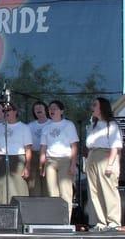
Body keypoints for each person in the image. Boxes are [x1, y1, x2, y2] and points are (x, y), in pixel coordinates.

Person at [85, 97, 122, 231]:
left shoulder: (111, 125)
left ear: (102, 108)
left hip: (105, 156)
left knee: (108, 189)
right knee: (94, 191)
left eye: (95, 105)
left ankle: (113, 221)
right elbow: (89, 145)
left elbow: (115, 147)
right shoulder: (93, 125)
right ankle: (100, 222)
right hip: (92, 156)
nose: (92, 107)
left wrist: (111, 165)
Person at [39, 100, 78, 221]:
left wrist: (73, 164)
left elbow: (74, 145)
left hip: (65, 160)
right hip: (50, 161)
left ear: (61, 111)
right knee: (52, 192)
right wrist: (42, 165)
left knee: (65, 192)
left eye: (55, 108)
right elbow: (43, 148)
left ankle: (65, 221)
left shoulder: (68, 125)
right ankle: (54, 220)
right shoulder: (46, 127)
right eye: (50, 108)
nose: (52, 110)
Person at [0, 102, 32, 204]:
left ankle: (21, 214)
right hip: (2, 158)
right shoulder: (2, 127)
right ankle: (5, 212)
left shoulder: (24, 127)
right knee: (3, 188)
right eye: (4, 110)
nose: (6, 112)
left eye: (8, 110)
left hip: (18, 159)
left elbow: (28, 148)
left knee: (18, 187)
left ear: (15, 112)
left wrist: (27, 166)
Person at [27, 101, 50, 197]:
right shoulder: (30, 125)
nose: (38, 110)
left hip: (48, 155)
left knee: (47, 181)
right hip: (33, 155)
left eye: (40, 107)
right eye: (36, 108)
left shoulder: (52, 123)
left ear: (46, 110)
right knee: (34, 183)